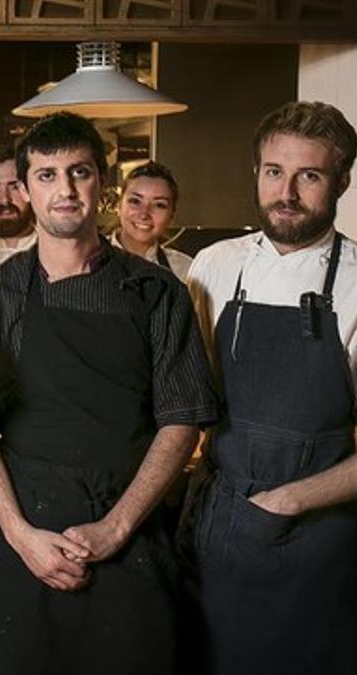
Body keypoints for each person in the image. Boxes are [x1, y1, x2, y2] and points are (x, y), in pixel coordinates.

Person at [0, 112, 218, 675]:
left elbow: (182, 422)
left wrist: (116, 528)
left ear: (103, 183)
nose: (65, 189)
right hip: (24, 531)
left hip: (127, 528)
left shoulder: (156, 291)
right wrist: (21, 535)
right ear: (26, 191)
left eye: (79, 172)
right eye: (47, 175)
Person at [183, 101, 357, 675]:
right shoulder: (214, 265)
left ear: (341, 182)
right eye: (274, 171)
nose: (287, 191)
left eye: (309, 175)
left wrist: (285, 502)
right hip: (219, 519)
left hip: (317, 534)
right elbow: (189, 397)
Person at [111, 161, 194, 282]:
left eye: (159, 205)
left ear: (171, 215)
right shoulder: (84, 259)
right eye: (135, 201)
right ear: (119, 206)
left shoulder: (185, 270)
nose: (144, 214)